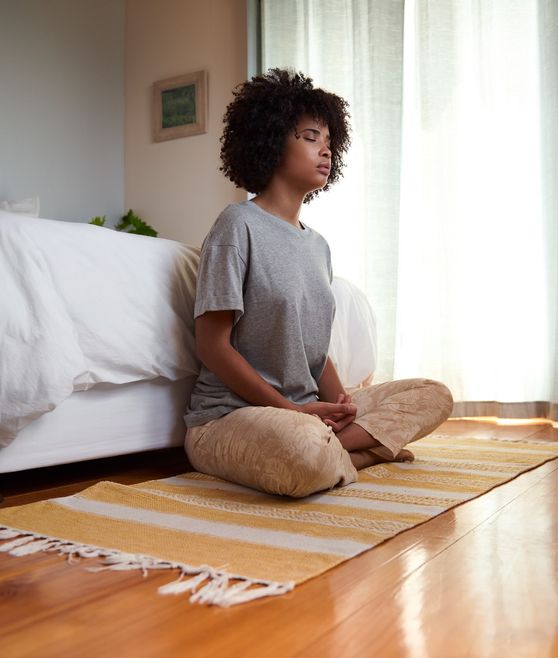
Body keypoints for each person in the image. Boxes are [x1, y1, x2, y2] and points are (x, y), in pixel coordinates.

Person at [183, 69, 453, 498]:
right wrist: (291, 410)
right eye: (310, 137)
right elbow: (213, 346)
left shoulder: (319, 246)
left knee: (433, 395)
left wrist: (343, 405)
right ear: (270, 141)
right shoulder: (236, 225)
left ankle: (338, 452)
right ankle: (363, 454)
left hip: (309, 412)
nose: (325, 150)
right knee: (303, 450)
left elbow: (315, 350)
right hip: (233, 418)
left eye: (328, 141)